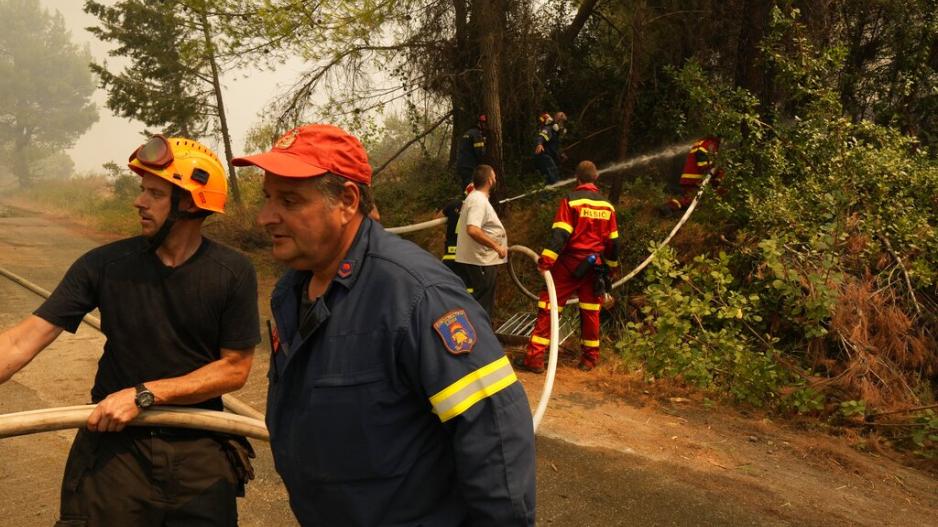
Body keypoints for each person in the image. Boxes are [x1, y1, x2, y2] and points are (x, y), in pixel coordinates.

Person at [233, 124, 536, 526]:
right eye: (268, 198)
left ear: (346, 201)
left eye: (289, 200)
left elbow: (494, 433)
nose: (265, 217)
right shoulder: (293, 289)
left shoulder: (415, 295)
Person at [0, 136, 260, 526]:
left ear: (189, 203)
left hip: (200, 444)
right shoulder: (104, 265)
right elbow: (22, 339)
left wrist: (145, 395)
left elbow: (234, 369)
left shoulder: (233, 272)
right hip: (116, 446)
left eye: (155, 193)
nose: (139, 201)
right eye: (143, 190)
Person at [516, 160, 621, 373]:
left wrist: (545, 261)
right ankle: (589, 359)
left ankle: (535, 359)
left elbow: (560, 235)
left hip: (568, 264)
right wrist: (611, 268)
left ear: (577, 178)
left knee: (549, 308)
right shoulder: (607, 206)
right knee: (591, 311)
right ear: (596, 178)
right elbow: (613, 243)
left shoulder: (570, 201)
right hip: (594, 267)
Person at [455, 164, 508, 317]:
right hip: (481, 259)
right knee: (482, 301)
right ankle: (480, 332)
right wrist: (496, 246)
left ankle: (481, 331)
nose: (495, 180)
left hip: (482, 258)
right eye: (495, 177)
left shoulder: (475, 198)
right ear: (490, 181)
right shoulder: (478, 200)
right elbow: (473, 229)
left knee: (483, 298)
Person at [663, 136, 724, 213]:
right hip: (695, 179)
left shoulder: (704, 142)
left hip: (692, 178)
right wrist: (707, 167)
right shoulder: (711, 143)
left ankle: (673, 210)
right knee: (691, 200)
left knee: (694, 201)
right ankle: (668, 208)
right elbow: (700, 153)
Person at [437, 182, 474, 274]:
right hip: (468, 256)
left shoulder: (454, 204)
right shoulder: (480, 209)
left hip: (450, 254)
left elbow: (437, 218)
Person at [534, 111, 567, 184]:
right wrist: (539, 144)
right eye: (561, 122)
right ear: (557, 121)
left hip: (550, 156)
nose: (562, 125)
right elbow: (541, 136)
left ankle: (548, 192)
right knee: (553, 172)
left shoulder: (556, 133)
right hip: (544, 155)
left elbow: (556, 146)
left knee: (550, 178)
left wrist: (561, 153)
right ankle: (555, 190)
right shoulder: (549, 128)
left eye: (563, 122)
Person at [455, 114, 487, 187]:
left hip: (462, 166)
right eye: (484, 123)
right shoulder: (477, 134)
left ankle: (467, 198)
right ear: (480, 123)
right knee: (470, 189)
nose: (485, 126)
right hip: (470, 167)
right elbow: (480, 153)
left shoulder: (468, 132)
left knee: (466, 188)